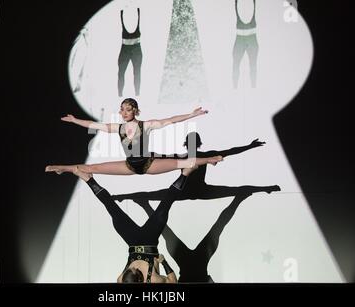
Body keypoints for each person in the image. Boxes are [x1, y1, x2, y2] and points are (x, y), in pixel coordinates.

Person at [70, 165, 199, 283]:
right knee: (165, 206)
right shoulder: (153, 280)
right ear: (139, 278)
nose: (134, 267)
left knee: (112, 208)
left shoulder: (121, 280)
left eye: (129, 269)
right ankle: (185, 174)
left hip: (132, 241)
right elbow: (173, 282)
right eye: (134, 270)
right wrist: (164, 262)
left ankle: (88, 179)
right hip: (150, 240)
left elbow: (121, 279)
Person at [45, 98, 223, 176]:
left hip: (148, 164)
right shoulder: (118, 127)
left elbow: (170, 120)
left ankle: (210, 159)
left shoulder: (145, 125)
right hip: (129, 166)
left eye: (128, 109)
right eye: (122, 109)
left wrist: (192, 114)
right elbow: (93, 125)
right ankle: (62, 168)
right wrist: (75, 120)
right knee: (93, 168)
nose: (124, 113)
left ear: (135, 111)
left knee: (186, 163)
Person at [113, 132, 280, 202]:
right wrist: (250, 146)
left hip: (193, 191)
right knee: (235, 190)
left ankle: (119, 197)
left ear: (187, 144)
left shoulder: (184, 156)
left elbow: (231, 151)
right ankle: (120, 197)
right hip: (194, 191)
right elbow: (155, 154)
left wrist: (250, 146)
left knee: (152, 195)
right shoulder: (193, 156)